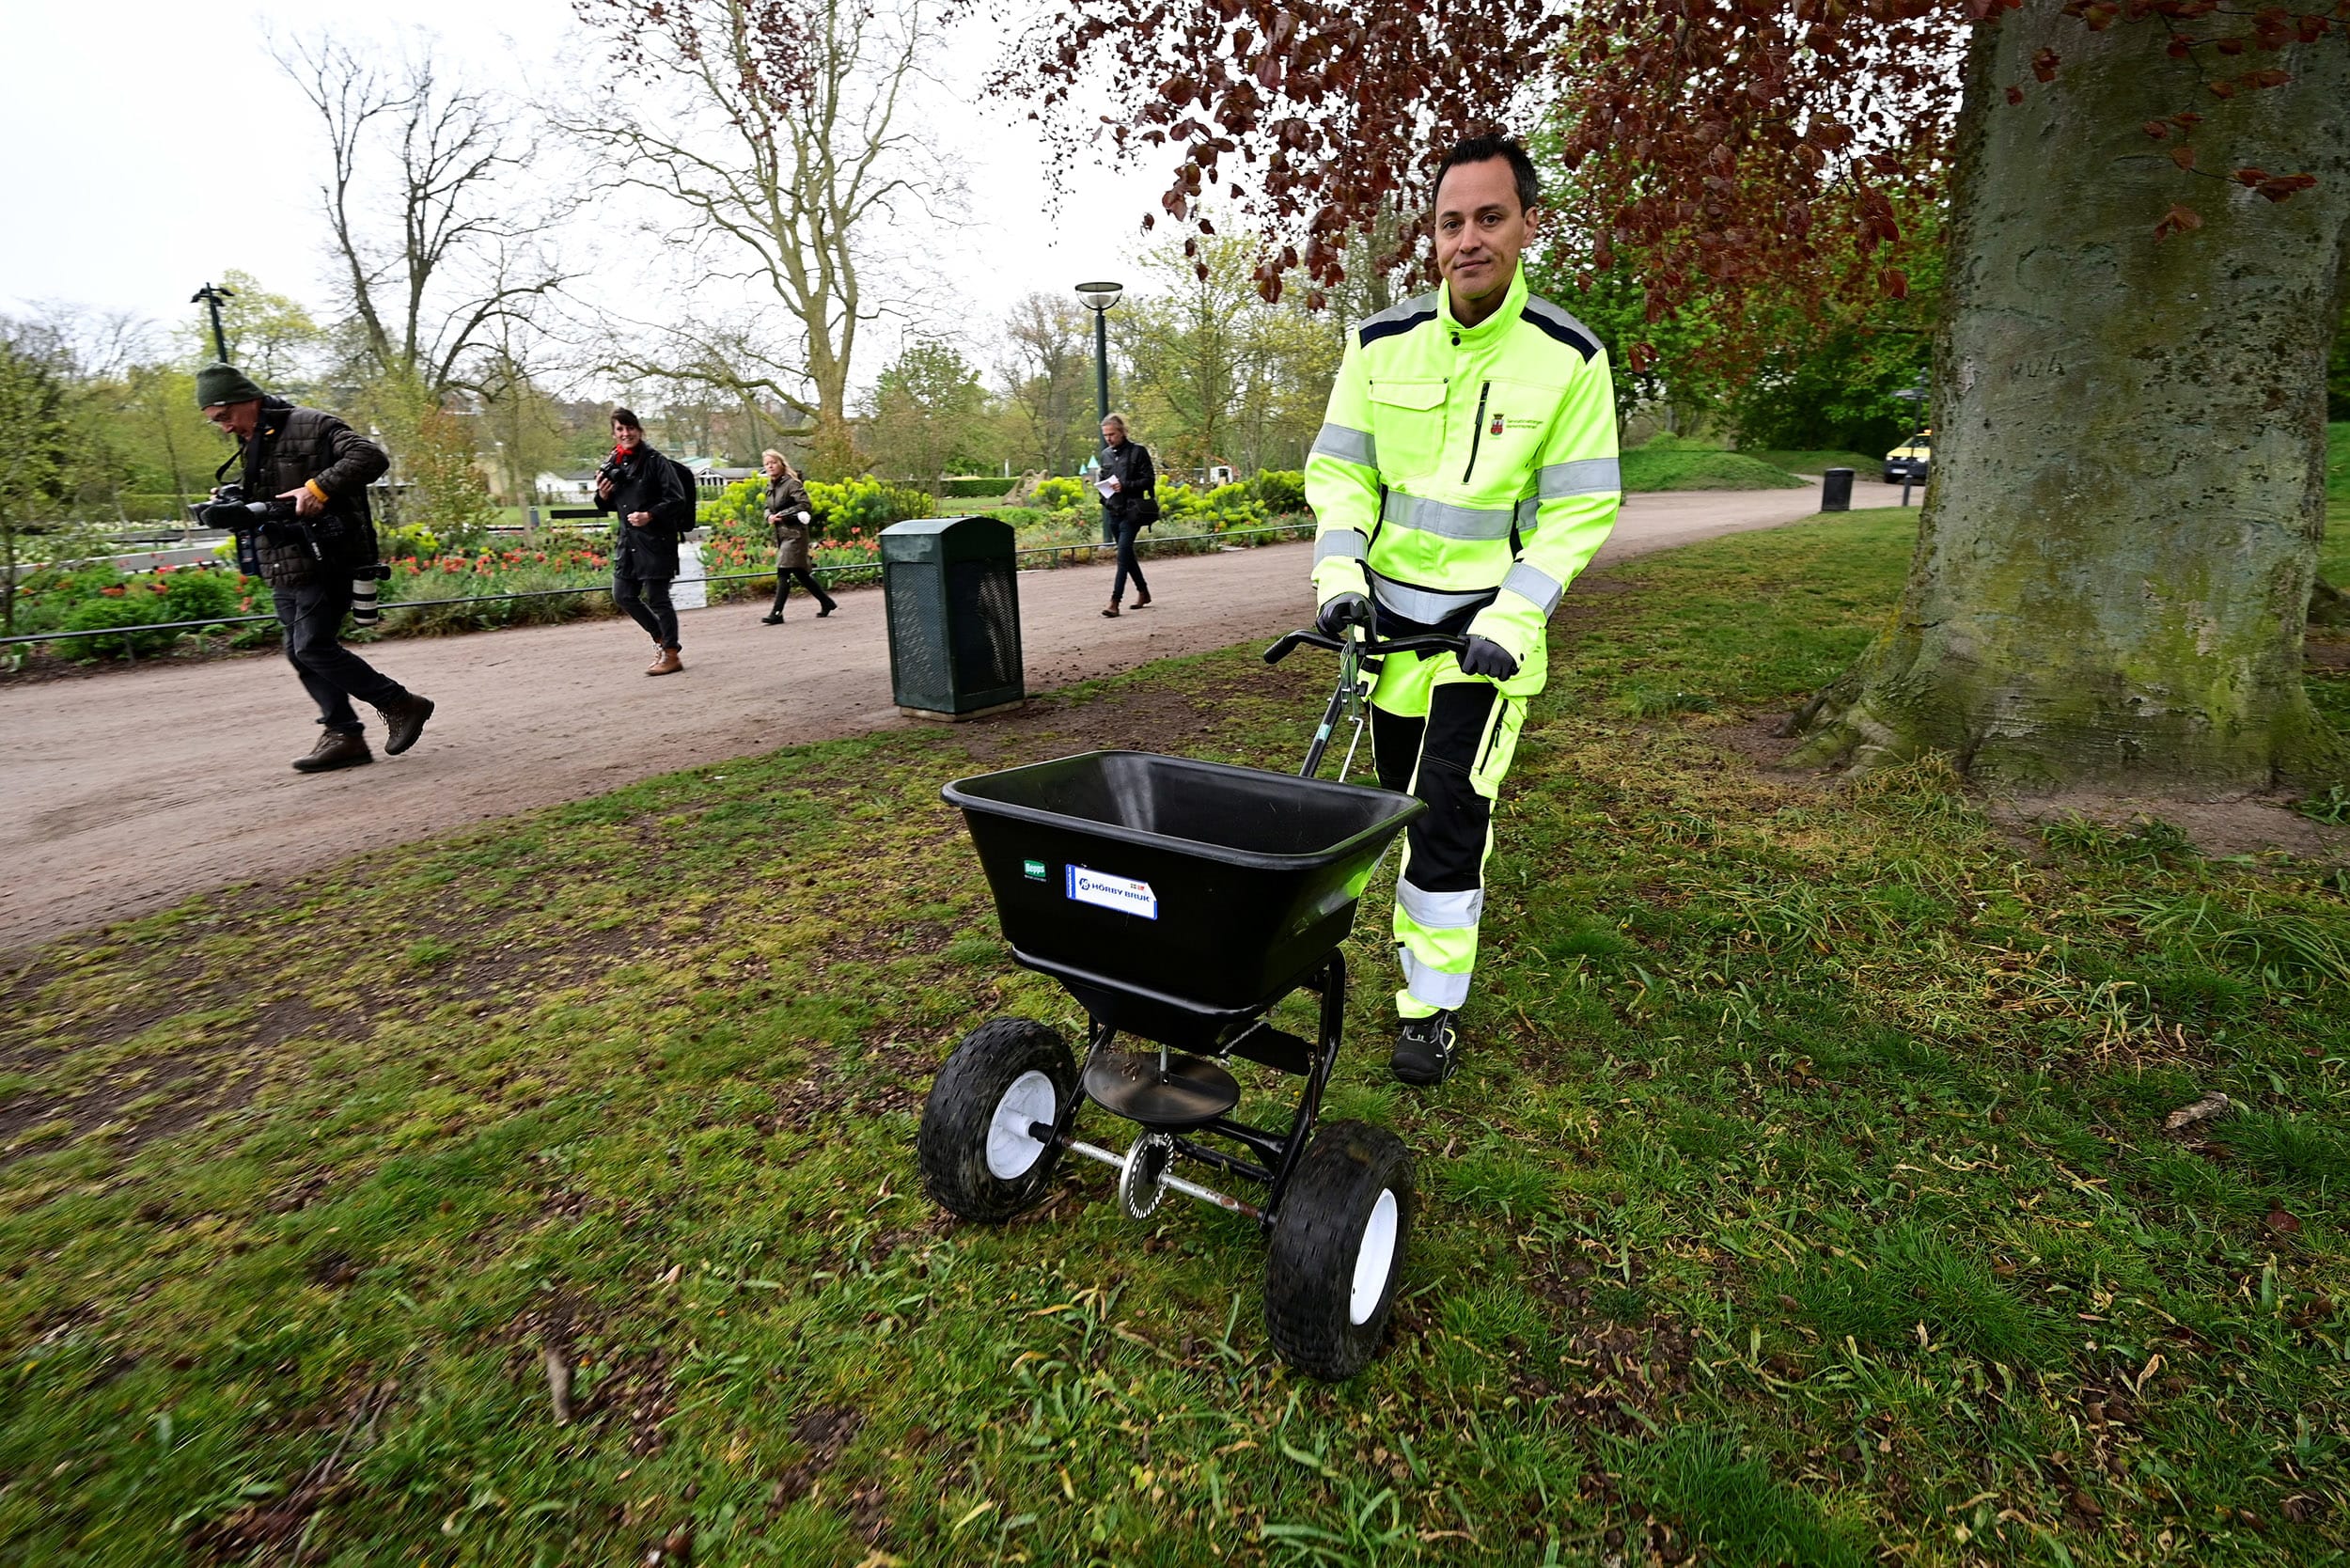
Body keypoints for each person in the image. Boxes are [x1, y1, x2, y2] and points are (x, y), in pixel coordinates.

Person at [1305, 134, 1621, 1087]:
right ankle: (1311, 960)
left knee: (1445, 824)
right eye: (1451, 222)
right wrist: (1338, 582)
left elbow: (1575, 512)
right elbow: (1341, 475)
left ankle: (1427, 1008)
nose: (1468, 239)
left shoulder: (1569, 360)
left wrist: (1511, 621)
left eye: (1489, 217)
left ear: (1529, 225)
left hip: (1481, 651)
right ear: (1430, 237)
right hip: (1385, 640)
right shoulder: (1375, 345)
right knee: (1372, 815)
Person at [197, 363, 435, 774]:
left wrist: (318, 488)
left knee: (312, 646)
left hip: (328, 556)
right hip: (284, 560)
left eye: (225, 417)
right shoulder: (256, 439)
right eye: (217, 422)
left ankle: (399, 703)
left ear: (245, 400)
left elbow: (370, 457)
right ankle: (345, 736)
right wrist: (234, 498)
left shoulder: (311, 423)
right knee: (298, 651)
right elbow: (277, 492)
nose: (224, 428)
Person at [595, 408, 695, 675]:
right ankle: (662, 640)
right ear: (614, 433)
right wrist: (602, 496)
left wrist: (650, 515)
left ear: (639, 430)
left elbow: (677, 499)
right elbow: (609, 503)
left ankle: (671, 656)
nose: (626, 434)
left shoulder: (655, 461)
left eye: (630, 428)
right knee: (623, 594)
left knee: (658, 598)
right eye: (620, 429)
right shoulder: (614, 463)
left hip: (656, 539)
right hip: (628, 540)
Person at [759, 449, 837, 623]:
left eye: (773, 462)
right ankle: (827, 602)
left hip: (795, 534)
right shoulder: (771, 486)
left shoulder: (791, 484)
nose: (770, 466)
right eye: (766, 464)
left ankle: (777, 613)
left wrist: (783, 515)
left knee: (783, 570)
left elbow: (804, 504)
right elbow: (767, 508)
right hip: (781, 533)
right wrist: (769, 516)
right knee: (800, 573)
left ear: (781, 463)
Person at [1095, 415, 1156, 618]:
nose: (1109, 438)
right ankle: (1143, 592)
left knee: (1122, 555)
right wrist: (1103, 496)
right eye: (1105, 435)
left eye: (1112, 434)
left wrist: (1126, 486)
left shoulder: (1138, 452)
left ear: (1122, 432)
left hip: (1133, 512)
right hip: (1113, 511)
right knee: (1127, 555)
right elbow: (1103, 479)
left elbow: (1149, 480)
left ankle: (1114, 601)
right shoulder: (1105, 455)